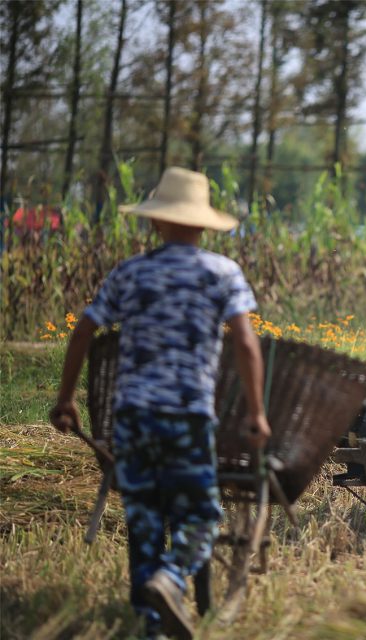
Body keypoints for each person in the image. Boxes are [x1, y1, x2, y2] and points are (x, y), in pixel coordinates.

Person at [49, 167, 271, 639]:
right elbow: (247, 346)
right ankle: (171, 579)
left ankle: (151, 625)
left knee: (144, 521)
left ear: (155, 222)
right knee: (204, 517)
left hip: (132, 417)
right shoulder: (222, 272)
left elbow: (84, 329)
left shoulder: (130, 272)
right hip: (187, 417)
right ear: (203, 224)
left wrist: (66, 397)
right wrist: (256, 413)